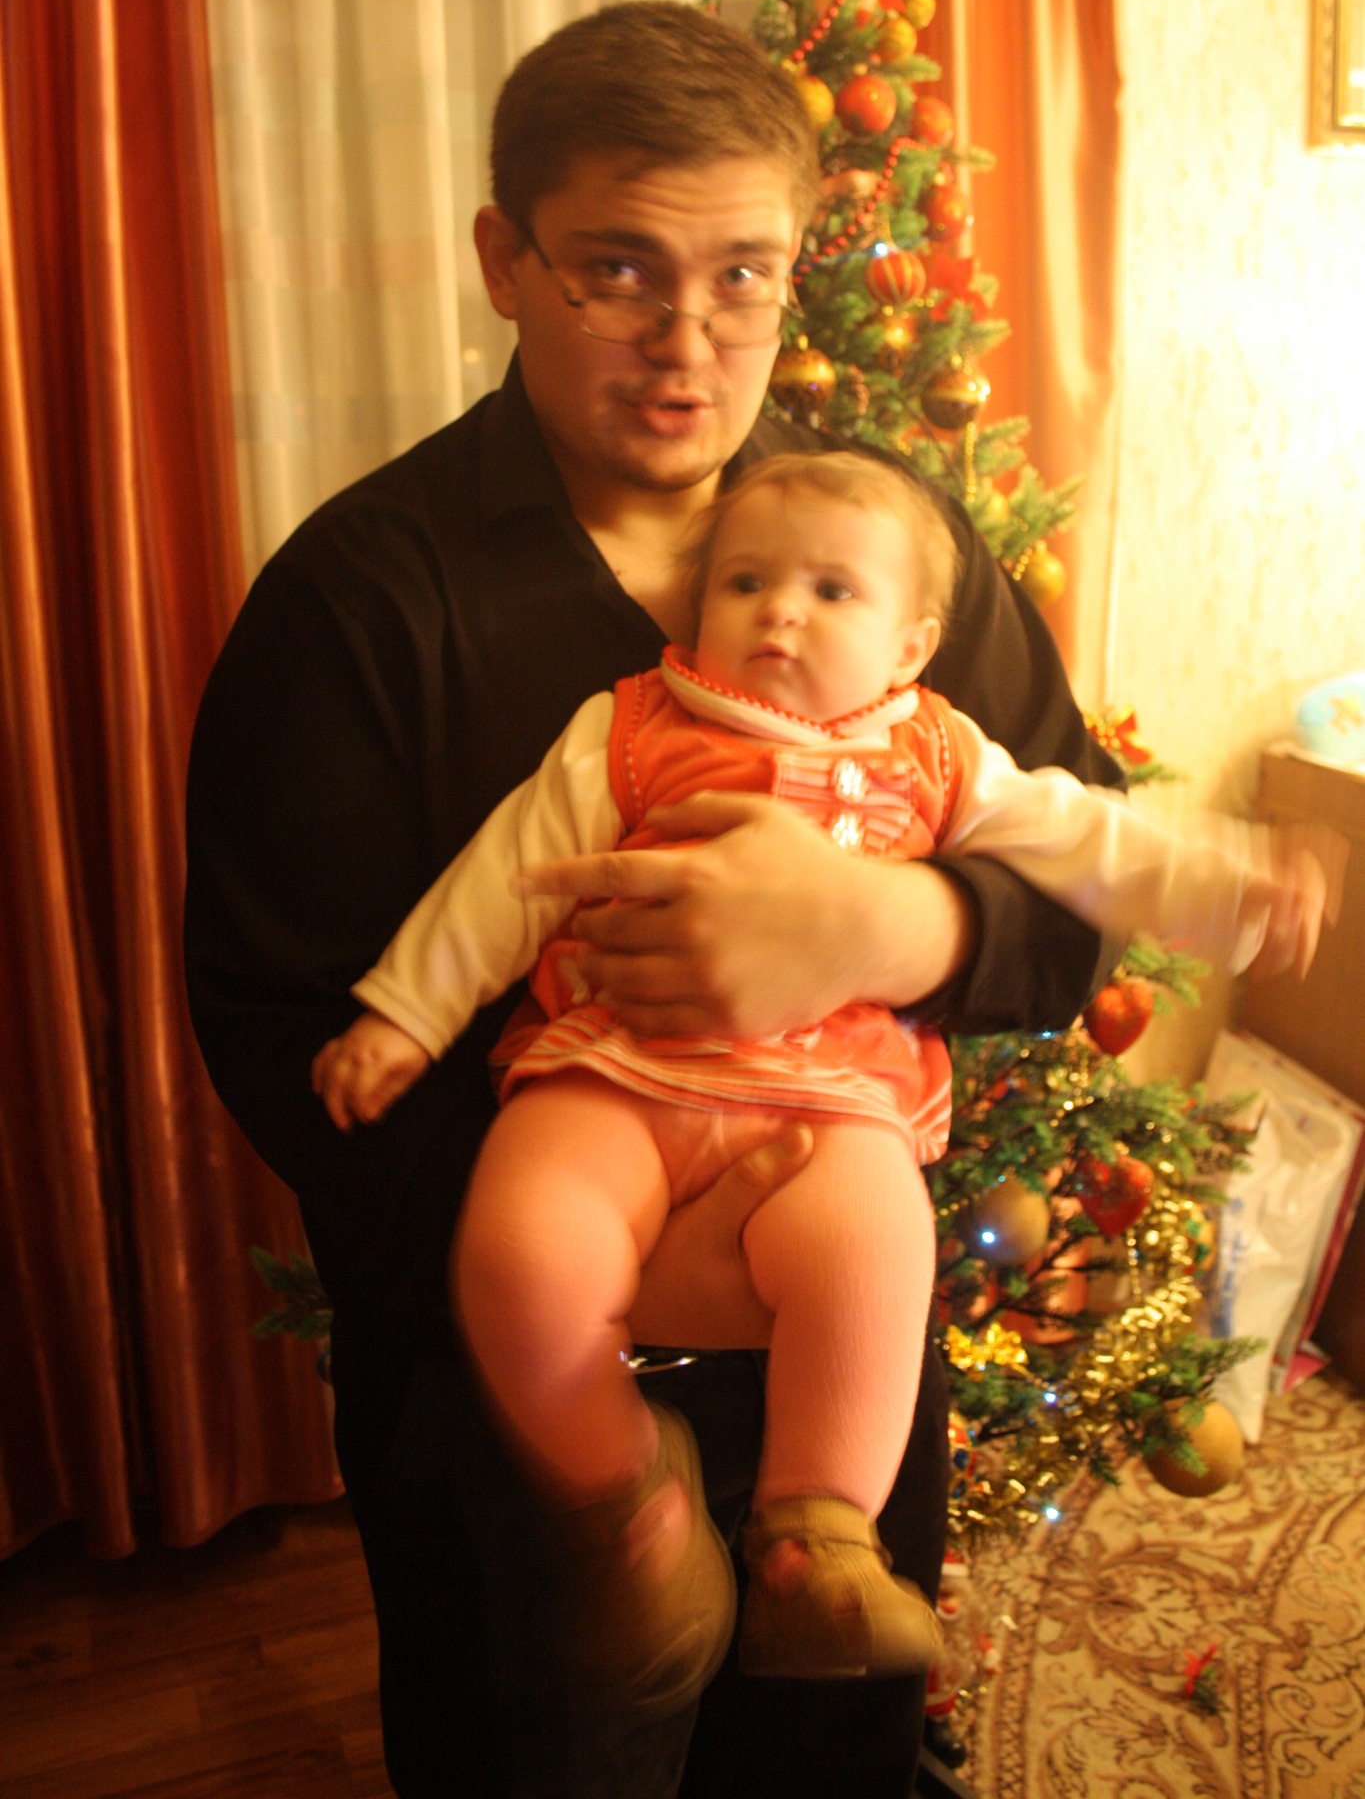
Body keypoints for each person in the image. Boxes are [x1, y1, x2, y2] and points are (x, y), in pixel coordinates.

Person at [185, 0, 1140, 1799]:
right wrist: (645, 1263)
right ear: (506, 259)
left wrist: (906, 928)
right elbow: (283, 1034)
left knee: (829, 1757)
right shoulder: (355, 603)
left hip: (839, 1381)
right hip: (508, 1408)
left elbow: (1081, 888)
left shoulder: (891, 550)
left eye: (743, 278)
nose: (688, 346)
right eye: (617, 270)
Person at [309, 447, 1324, 1720]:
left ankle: (819, 1538)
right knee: (520, 1249)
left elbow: (1094, 841)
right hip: (615, 1069)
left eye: (832, 591)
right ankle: (626, 1503)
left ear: (913, 643)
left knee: (876, 1252)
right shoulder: (632, 727)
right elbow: (508, 875)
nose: (780, 610)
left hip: (830, 1100)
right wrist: (406, 1009)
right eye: (746, 582)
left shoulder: (940, 754)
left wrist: (1235, 886)